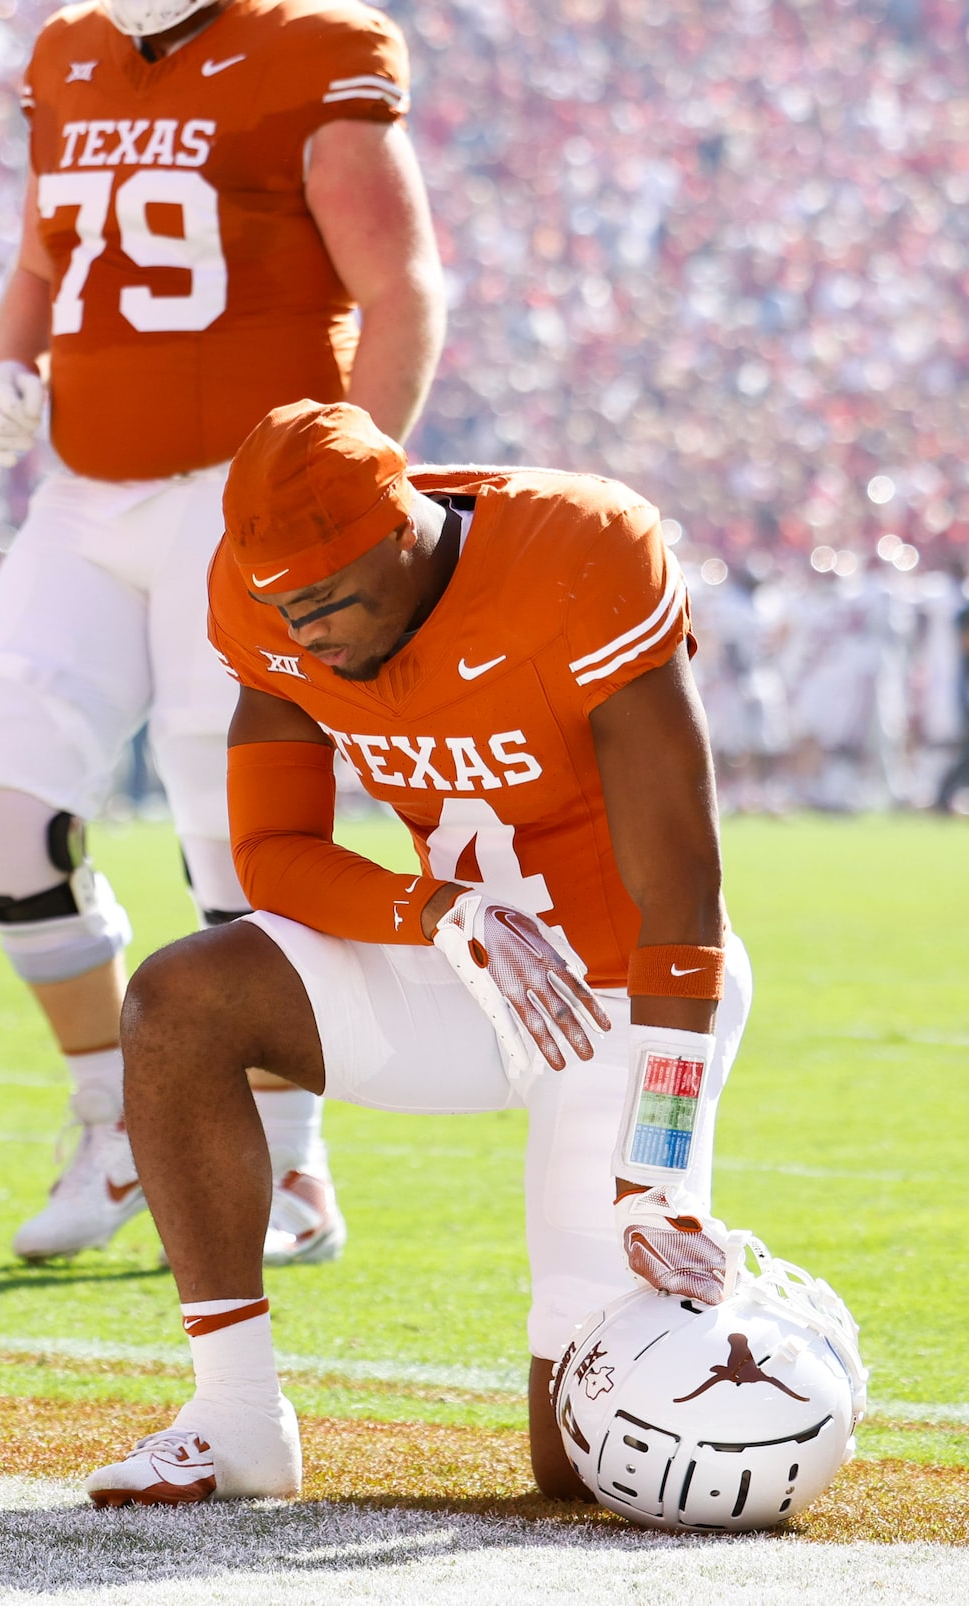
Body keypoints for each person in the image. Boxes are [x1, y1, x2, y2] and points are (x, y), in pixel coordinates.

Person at [0, 0, 445, 1264]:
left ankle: (291, 1158)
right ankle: (112, 1118)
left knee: (233, 841)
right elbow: (45, 250)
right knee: (1, 794)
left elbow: (404, 287)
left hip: (238, 505)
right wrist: (6, 355)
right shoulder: (67, 55)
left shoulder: (318, 52)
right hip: (83, 495)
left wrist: (361, 476)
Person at [87, 402, 748, 1504]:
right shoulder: (272, 602)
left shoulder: (579, 556)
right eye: (282, 608)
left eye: (330, 600)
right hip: (458, 967)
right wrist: (439, 912)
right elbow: (271, 857)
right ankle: (236, 1417)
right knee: (180, 998)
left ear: (401, 536)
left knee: (577, 1466)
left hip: (622, 995)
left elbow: (681, 895)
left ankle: (736, 1307)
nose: (308, 635)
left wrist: (658, 1173)